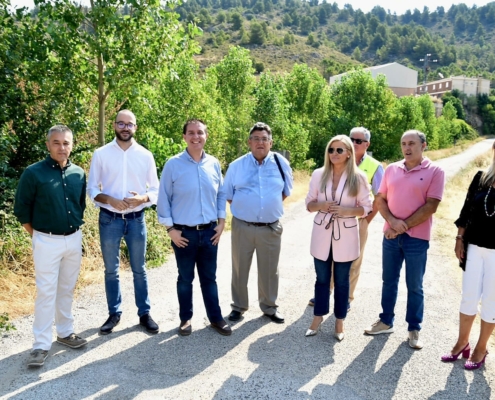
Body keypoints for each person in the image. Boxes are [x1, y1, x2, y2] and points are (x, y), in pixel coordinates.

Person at [14, 125, 88, 367]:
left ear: (72, 145)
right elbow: (22, 210)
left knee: (66, 288)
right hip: (46, 239)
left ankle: (65, 333)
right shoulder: (33, 173)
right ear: (48, 145)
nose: (61, 147)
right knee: (47, 292)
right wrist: (39, 236)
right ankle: (40, 345)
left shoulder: (78, 173)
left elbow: (80, 205)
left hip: (73, 239)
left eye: (66, 143)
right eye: (56, 142)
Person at [364, 130, 445, 350]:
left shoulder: (435, 171)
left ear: (423, 145)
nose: (407, 148)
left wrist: (401, 227)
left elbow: (431, 206)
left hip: (416, 239)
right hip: (390, 236)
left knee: (415, 285)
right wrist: (391, 221)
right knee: (388, 281)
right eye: (403, 144)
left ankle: (414, 328)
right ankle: (386, 321)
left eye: (411, 143)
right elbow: (380, 199)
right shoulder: (392, 169)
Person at [87, 110, 159, 335]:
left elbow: (156, 190)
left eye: (130, 124)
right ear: (114, 126)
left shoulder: (146, 155)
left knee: (140, 269)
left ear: (135, 128)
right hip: (109, 219)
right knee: (111, 270)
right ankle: (114, 313)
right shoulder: (101, 154)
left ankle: (144, 314)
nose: (125, 127)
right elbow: (91, 189)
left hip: (137, 219)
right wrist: (108, 199)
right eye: (121, 123)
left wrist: (143, 198)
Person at [157, 119, 231, 336]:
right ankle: (185, 319)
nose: (195, 136)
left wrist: (221, 221)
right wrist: (170, 230)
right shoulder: (173, 164)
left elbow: (221, 194)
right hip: (184, 234)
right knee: (185, 279)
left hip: (210, 233)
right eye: (191, 132)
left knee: (210, 278)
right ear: (184, 136)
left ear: (206, 136)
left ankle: (216, 318)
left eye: (200, 132)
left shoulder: (214, 164)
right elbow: (163, 199)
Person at [224, 122, 293, 324]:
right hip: (242, 227)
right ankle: (238, 307)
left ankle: (269, 307)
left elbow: (286, 191)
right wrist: (249, 210)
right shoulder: (236, 166)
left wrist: (266, 209)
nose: (260, 142)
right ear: (249, 142)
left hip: (270, 228)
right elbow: (229, 195)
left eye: (264, 139)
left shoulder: (281, 163)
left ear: (271, 143)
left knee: (270, 270)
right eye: (256, 138)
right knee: (239, 268)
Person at [308, 127, 383, 308]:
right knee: (327, 260)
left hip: (357, 222)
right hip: (327, 225)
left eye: (359, 141)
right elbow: (310, 203)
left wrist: (364, 220)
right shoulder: (322, 172)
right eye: (353, 139)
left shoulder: (373, 167)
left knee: (352, 263)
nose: (355, 143)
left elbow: (378, 198)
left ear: (367, 144)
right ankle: (326, 294)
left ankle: (346, 298)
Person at [305, 135, 372, 340]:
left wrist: (346, 210)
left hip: (346, 234)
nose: (334, 154)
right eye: (331, 150)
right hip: (322, 232)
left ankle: (340, 321)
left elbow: (366, 208)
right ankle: (317, 317)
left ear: (349, 153)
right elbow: (309, 204)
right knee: (322, 279)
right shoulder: (318, 174)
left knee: (342, 281)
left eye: (339, 150)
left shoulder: (358, 177)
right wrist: (322, 206)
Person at [441, 141, 495, 370]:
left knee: (492, 302)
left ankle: (481, 348)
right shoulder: (481, 178)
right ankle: (462, 343)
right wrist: (459, 238)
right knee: (468, 296)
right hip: (473, 247)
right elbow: (466, 210)